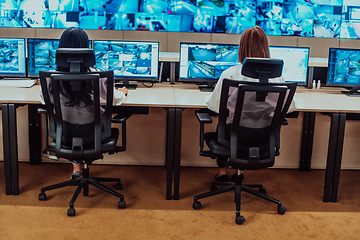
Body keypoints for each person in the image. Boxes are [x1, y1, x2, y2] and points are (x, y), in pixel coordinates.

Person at [205, 26, 297, 182]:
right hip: (264, 136)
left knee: (223, 124)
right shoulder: (278, 79)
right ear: (265, 48)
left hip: (234, 135)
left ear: (241, 48)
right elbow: (290, 108)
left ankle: (222, 172)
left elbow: (214, 106)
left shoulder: (230, 74)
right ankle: (239, 171)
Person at [40, 27, 128, 179]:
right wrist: (123, 93)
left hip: (64, 135)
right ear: (87, 50)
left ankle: (77, 170)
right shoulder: (98, 76)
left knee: (73, 120)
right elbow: (115, 100)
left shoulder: (51, 77)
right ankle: (78, 169)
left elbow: (44, 99)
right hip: (95, 135)